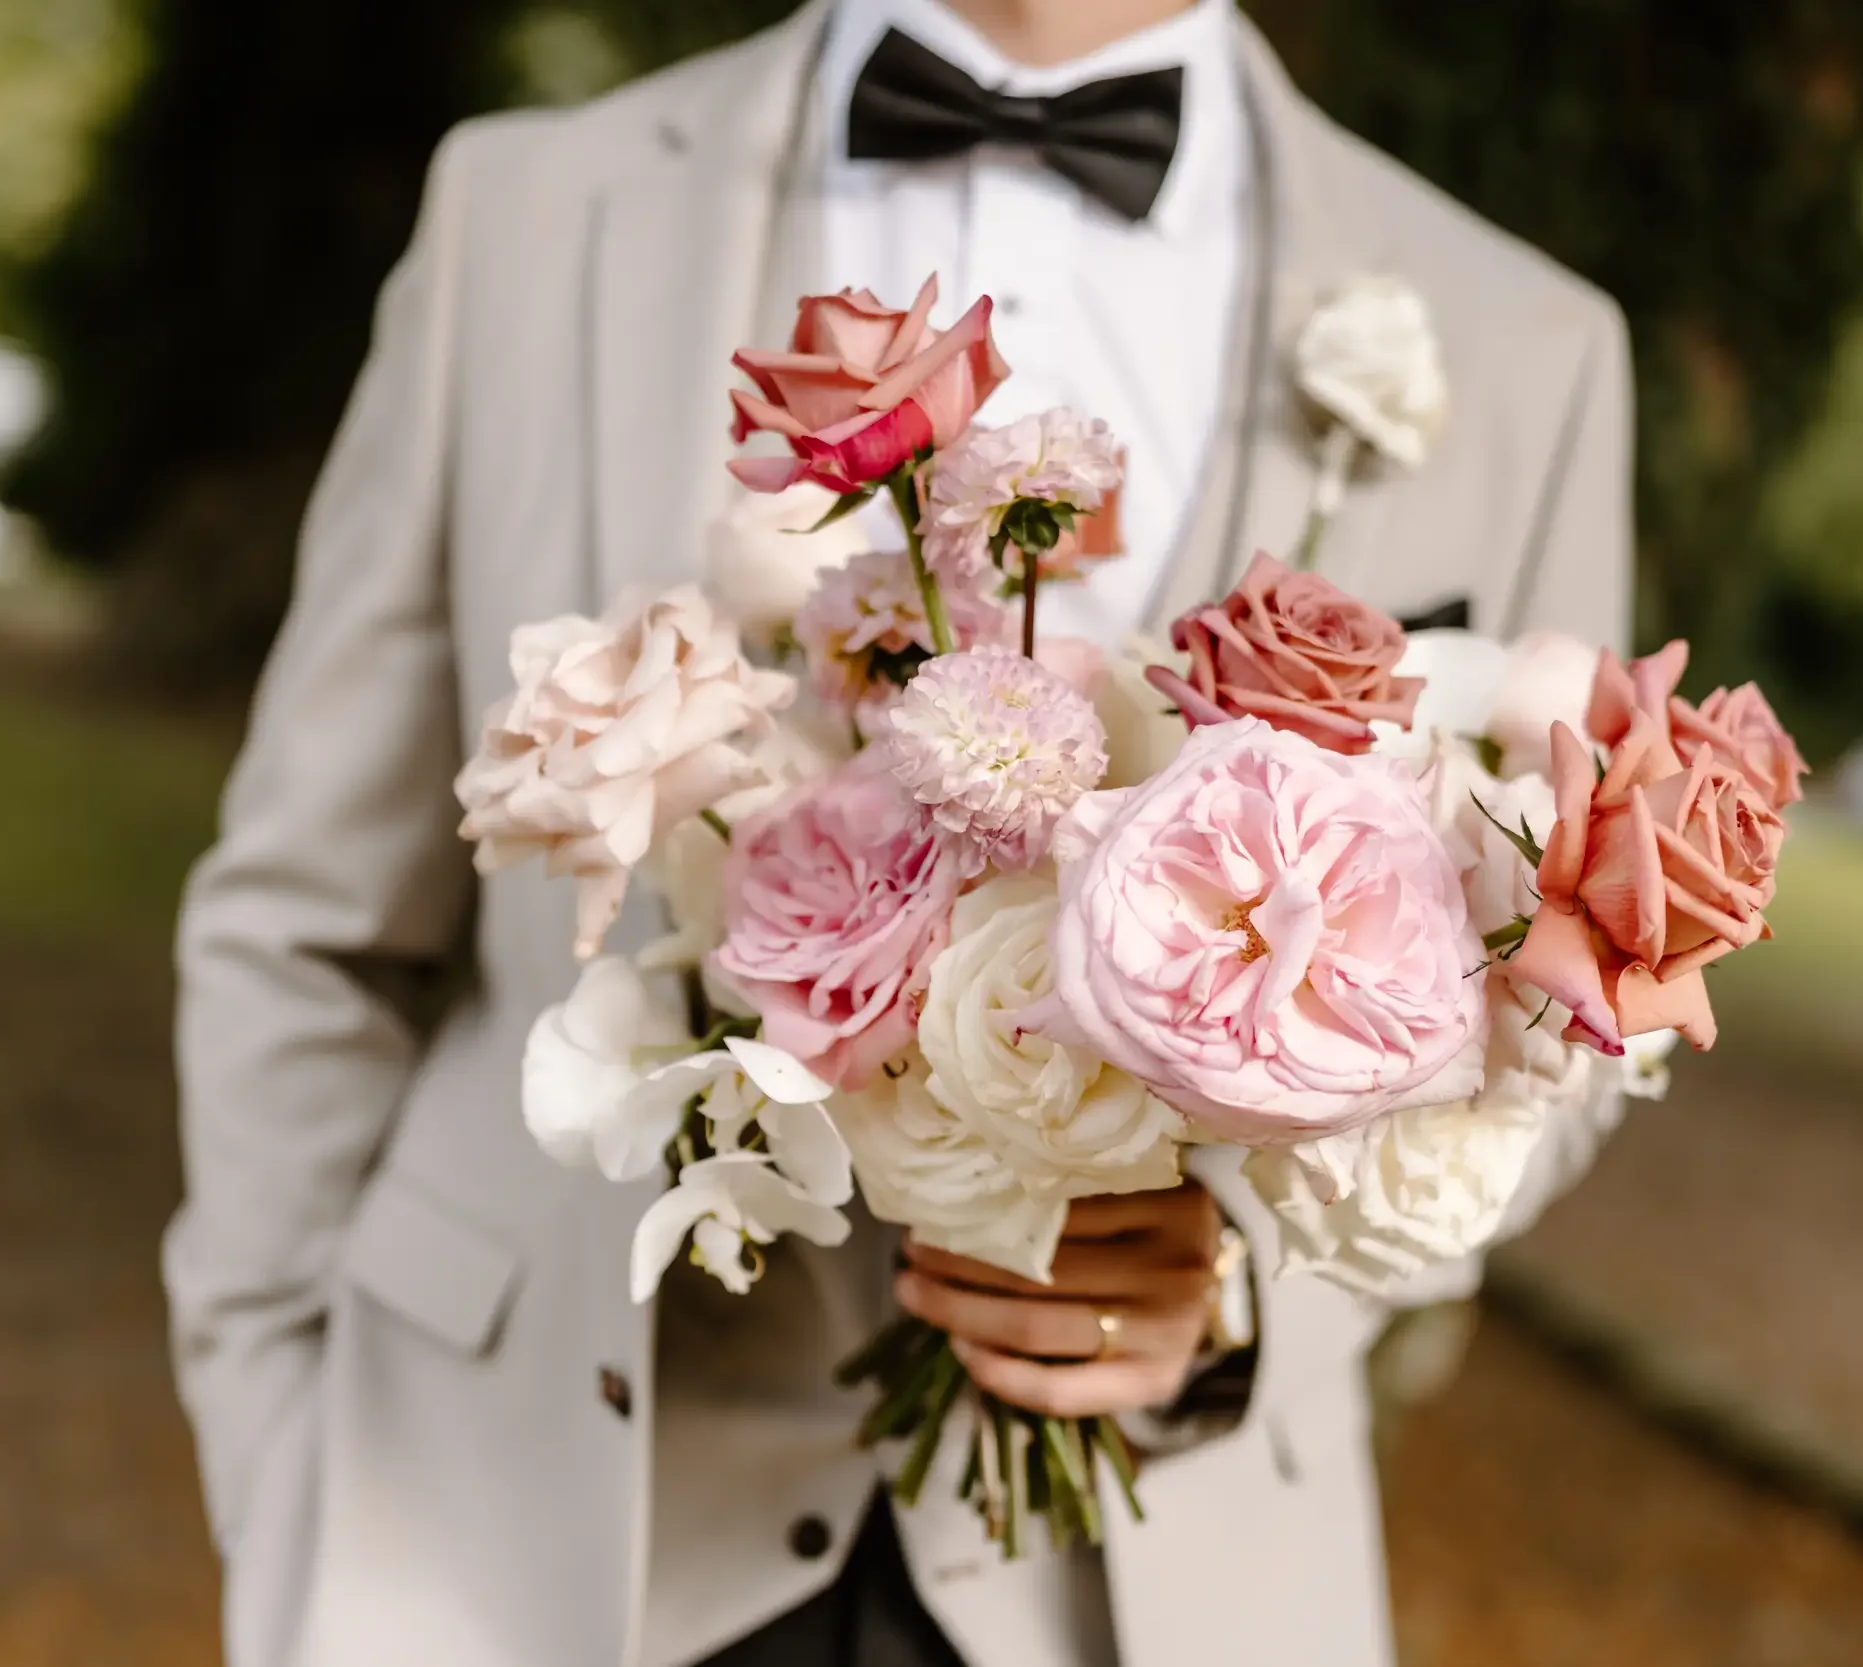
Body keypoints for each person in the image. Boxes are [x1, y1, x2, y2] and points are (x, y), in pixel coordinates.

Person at [164, 2, 1634, 1665]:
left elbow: (1564, 1016)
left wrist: (1234, 1290)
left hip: (1142, 1587)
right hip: (502, 1540)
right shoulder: (522, 212)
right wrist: (277, 1454)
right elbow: (305, 919)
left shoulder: (1531, 343)